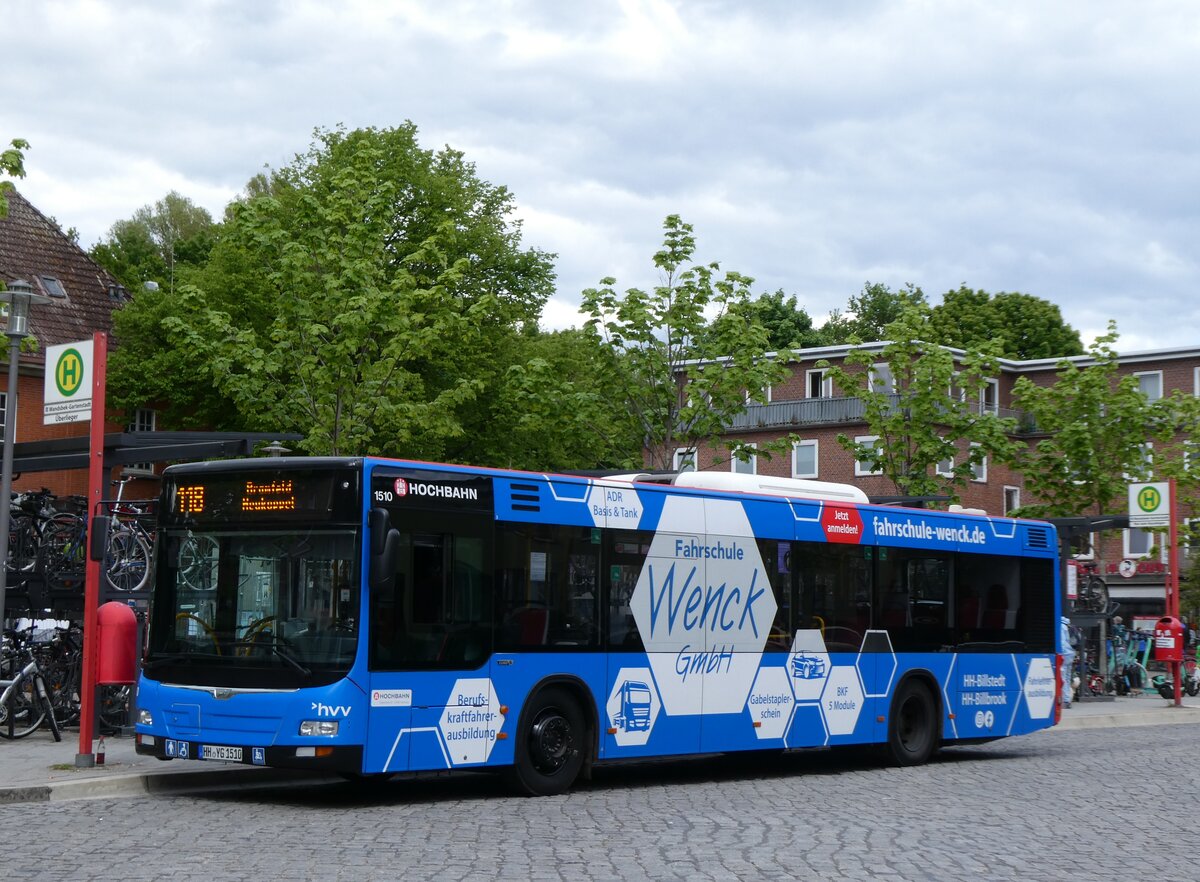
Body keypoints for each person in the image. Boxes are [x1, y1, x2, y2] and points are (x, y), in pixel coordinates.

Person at [1060, 615, 1076, 708]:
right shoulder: (1067, 625)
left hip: (1065, 654)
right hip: (1070, 653)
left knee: (1063, 678)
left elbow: (1062, 643)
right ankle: (1068, 699)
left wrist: (1060, 654)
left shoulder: (1060, 626)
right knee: (1067, 677)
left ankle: (1065, 700)